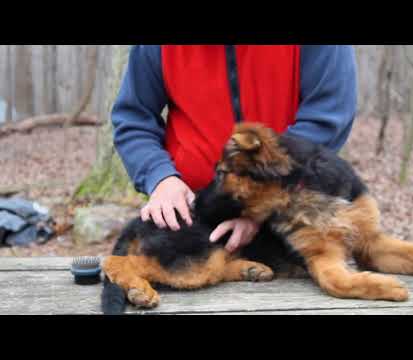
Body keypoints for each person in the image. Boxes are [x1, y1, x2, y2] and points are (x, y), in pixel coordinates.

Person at [111, 45, 357, 254]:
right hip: (190, 218)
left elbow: (326, 119)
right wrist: (160, 178)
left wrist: (258, 204)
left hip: (293, 214)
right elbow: (134, 119)